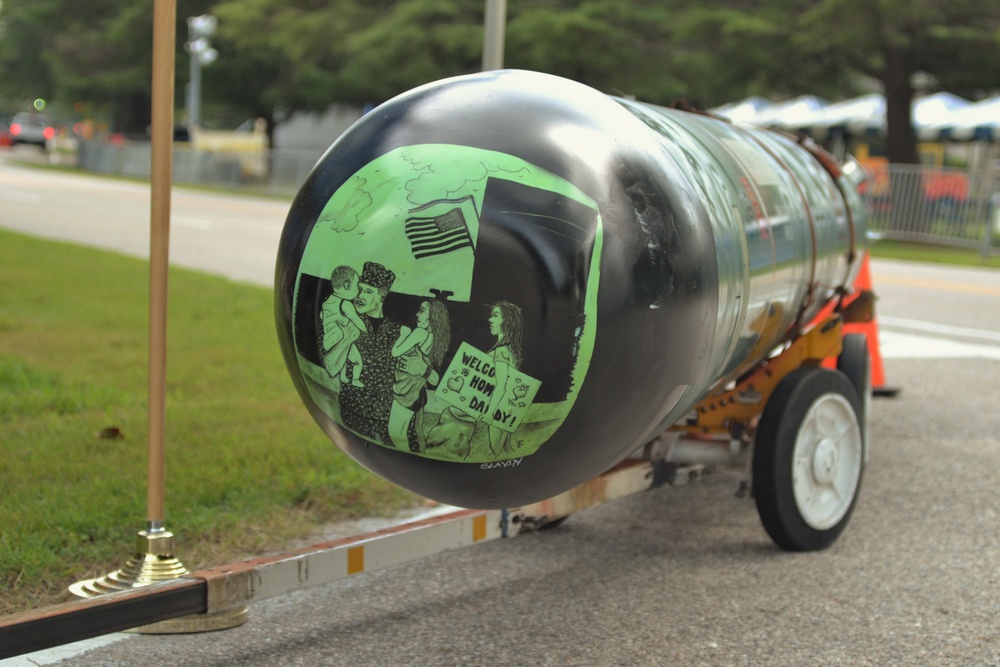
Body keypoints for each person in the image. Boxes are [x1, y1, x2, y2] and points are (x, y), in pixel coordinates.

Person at [389, 300, 451, 452]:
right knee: (410, 431)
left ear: (433, 316)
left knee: (395, 432)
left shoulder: (419, 333)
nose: (417, 314)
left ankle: (405, 458)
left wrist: (403, 334)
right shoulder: (433, 338)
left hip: (406, 391)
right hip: (417, 392)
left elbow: (395, 352)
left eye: (422, 311)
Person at [485, 300, 523, 457]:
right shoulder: (511, 348)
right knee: (506, 449)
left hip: (498, 408)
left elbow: (501, 385)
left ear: (507, 321)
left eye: (495, 315)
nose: (490, 320)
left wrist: (489, 412)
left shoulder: (501, 351)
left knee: (496, 452)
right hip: (508, 408)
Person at [319, 265, 366, 388]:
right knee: (357, 361)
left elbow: (321, 316)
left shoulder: (327, 302)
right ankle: (355, 379)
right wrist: (366, 329)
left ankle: (343, 377)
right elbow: (357, 321)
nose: (358, 290)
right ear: (347, 285)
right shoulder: (345, 304)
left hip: (329, 338)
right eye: (357, 286)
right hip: (341, 338)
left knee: (343, 357)